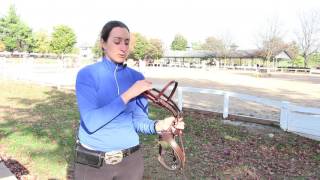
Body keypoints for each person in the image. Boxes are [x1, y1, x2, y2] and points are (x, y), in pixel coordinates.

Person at [74, 20, 184, 180]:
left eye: (127, 42)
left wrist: (159, 126)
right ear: (103, 43)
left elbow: (138, 120)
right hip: (93, 164)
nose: (123, 47)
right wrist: (129, 94)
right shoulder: (87, 74)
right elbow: (91, 122)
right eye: (117, 41)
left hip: (130, 162)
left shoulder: (137, 78)